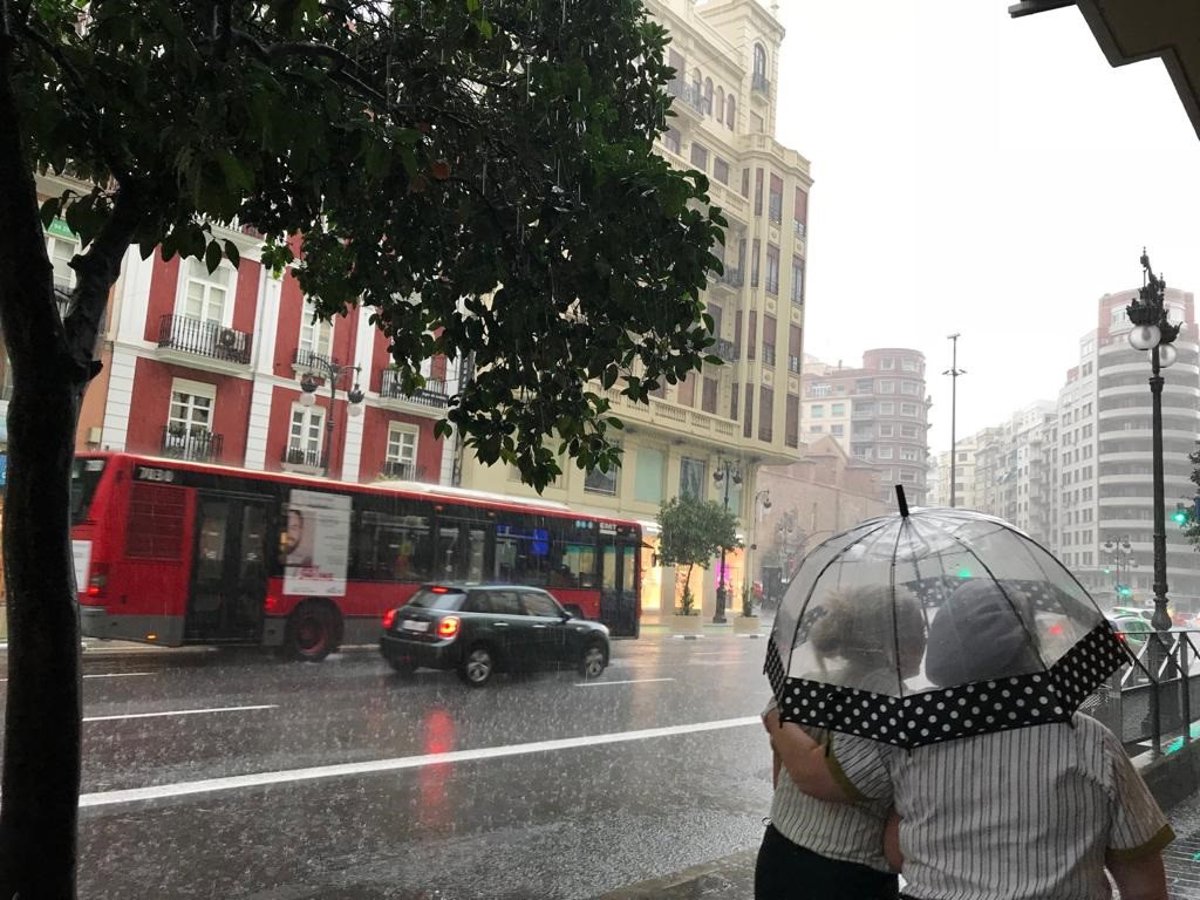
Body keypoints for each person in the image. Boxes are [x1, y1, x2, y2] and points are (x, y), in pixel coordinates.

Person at [766, 579, 1173, 900]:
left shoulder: (910, 731)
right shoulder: (1093, 742)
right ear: (1032, 644)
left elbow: (894, 851)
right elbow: (1144, 886)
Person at [755, 584, 928, 900]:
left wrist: (775, 716)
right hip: (843, 874)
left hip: (779, 851)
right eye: (918, 631)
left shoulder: (809, 682)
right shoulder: (892, 702)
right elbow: (819, 778)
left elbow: (781, 775)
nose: (925, 641)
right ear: (893, 641)